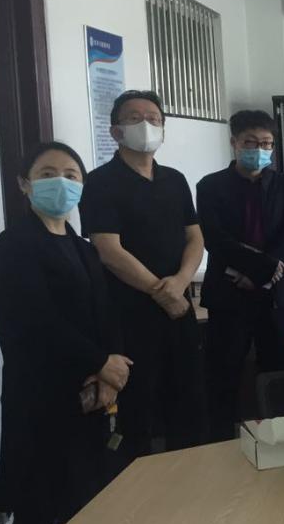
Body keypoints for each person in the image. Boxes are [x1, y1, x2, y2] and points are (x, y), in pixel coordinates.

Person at [0, 142, 130, 524]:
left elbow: (105, 313)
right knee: (37, 510)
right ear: (24, 184)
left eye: (71, 176)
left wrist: (112, 368)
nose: (61, 183)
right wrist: (100, 362)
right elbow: (35, 320)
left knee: (82, 504)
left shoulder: (82, 247)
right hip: (40, 397)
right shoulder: (14, 244)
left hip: (87, 395)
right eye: (47, 174)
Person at [81, 90, 207, 465]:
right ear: (116, 131)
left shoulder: (174, 179)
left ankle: (192, 482)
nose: (146, 125)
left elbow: (195, 237)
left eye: (153, 119)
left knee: (188, 403)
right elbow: (109, 250)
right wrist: (160, 291)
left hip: (179, 308)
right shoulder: (100, 182)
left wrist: (180, 283)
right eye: (134, 118)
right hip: (130, 315)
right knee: (137, 415)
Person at [196, 110, 284, 440]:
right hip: (229, 294)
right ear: (234, 142)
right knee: (223, 374)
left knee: (275, 373)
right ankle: (220, 443)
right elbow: (215, 238)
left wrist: (261, 275)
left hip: (275, 296)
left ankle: (275, 437)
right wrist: (257, 269)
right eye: (251, 142)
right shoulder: (210, 186)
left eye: (266, 143)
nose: (259, 149)